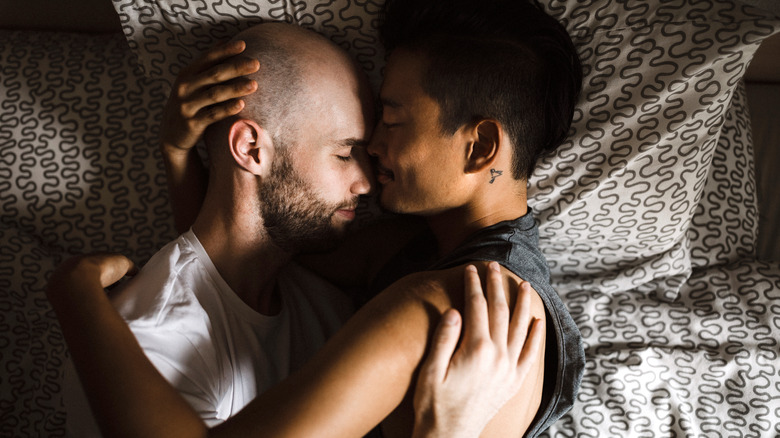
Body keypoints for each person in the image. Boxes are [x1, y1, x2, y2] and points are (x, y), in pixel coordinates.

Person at [48, 0, 584, 436]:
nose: (373, 152)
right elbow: (239, 265)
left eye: (391, 121)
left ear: (481, 146)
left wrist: (77, 300)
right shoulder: (412, 249)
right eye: (347, 148)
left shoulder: (445, 307)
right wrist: (183, 156)